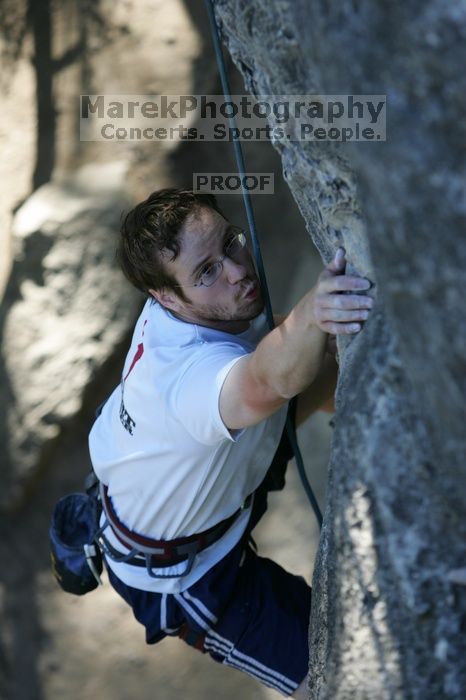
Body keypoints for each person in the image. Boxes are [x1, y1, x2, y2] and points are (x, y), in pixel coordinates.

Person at [88, 188, 373, 698]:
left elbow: (286, 360)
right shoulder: (187, 377)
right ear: (167, 299)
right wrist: (312, 314)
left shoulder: (210, 305)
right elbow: (264, 383)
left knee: (324, 355)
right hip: (187, 573)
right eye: (206, 272)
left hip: (189, 478)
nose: (237, 270)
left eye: (231, 243)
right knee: (337, 680)